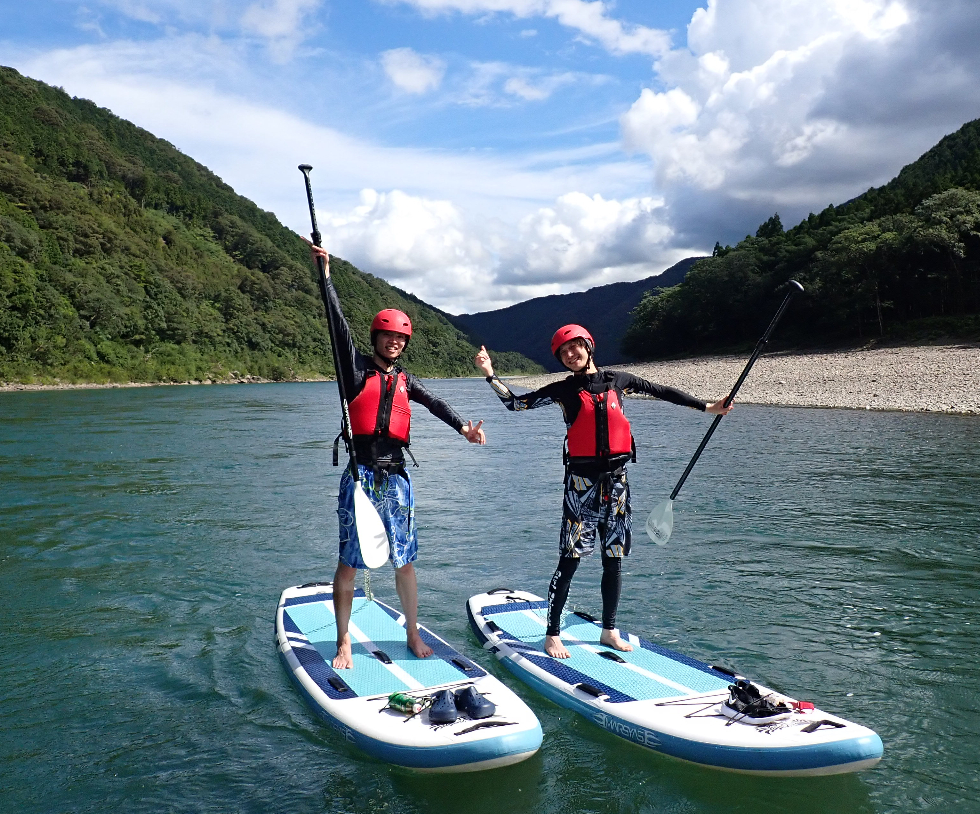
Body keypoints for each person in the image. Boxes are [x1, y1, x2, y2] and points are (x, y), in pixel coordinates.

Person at [474, 325, 731, 659]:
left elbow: (662, 391)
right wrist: (490, 374)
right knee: (570, 561)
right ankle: (552, 634)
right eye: (563, 352)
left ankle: (609, 630)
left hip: (618, 485)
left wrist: (708, 407)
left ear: (588, 346)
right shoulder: (563, 390)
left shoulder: (618, 381)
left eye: (575, 347)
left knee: (614, 560)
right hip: (581, 488)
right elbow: (516, 404)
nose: (570, 355)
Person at [311, 243, 486, 669]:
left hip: (397, 479)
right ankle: (344, 641)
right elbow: (337, 326)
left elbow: (436, 402)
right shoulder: (355, 371)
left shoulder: (406, 379)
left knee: (404, 562)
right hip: (360, 477)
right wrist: (326, 277)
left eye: (401, 338)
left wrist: (463, 428)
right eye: (388, 336)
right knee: (349, 563)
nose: (394, 342)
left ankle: (412, 632)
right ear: (376, 338)